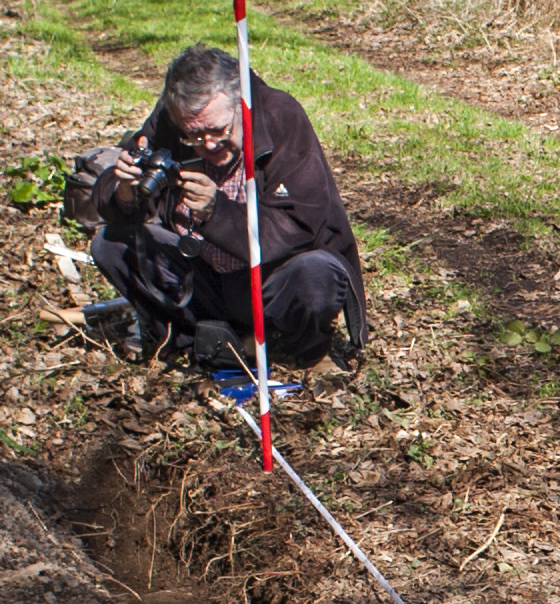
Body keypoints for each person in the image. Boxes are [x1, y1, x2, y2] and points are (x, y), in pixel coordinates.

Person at [74, 45, 367, 376]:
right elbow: (116, 198)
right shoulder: (171, 119)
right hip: (200, 275)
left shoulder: (280, 115)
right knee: (111, 243)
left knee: (317, 273)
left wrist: (217, 213)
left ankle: (301, 350)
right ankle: (195, 339)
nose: (209, 145)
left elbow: (300, 226)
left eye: (219, 130)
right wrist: (124, 191)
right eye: (194, 137)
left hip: (269, 282)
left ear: (240, 104)